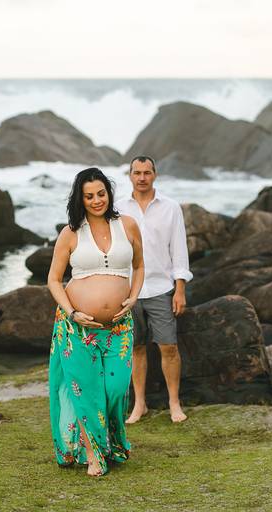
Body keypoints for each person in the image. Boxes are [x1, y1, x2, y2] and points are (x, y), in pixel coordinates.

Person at [47, 167, 144, 477]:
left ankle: (110, 444)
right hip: (77, 327)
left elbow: (139, 266)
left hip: (119, 326)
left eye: (101, 194)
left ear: (109, 194)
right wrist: (72, 312)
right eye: (89, 196)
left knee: (116, 388)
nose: (96, 200)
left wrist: (133, 297)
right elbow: (54, 280)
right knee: (85, 391)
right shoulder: (70, 233)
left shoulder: (127, 225)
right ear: (81, 199)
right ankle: (93, 454)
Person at [116, 155, 192, 423]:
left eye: (147, 172)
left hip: (161, 288)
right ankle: (140, 404)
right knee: (136, 348)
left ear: (155, 175)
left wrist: (180, 289)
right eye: (137, 173)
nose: (142, 178)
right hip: (129, 291)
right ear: (130, 176)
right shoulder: (118, 208)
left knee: (168, 347)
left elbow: (179, 250)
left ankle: (174, 403)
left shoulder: (171, 207)